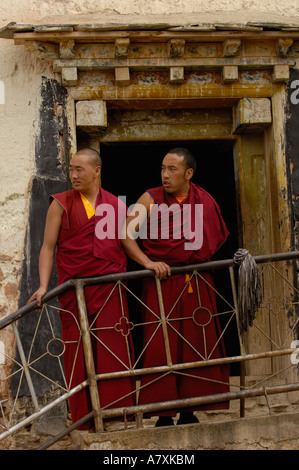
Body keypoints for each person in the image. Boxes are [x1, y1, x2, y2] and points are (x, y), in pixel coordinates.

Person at [28, 148, 153, 431]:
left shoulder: (116, 206)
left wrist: (147, 262)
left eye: (79, 170)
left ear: (96, 171)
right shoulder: (60, 204)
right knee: (77, 353)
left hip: (109, 289)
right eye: (71, 169)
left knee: (114, 351)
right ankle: (84, 420)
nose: (73, 175)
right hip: (74, 291)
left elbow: (125, 242)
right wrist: (44, 285)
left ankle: (116, 415)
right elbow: (48, 248)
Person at [121, 147, 230, 427]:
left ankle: (190, 410)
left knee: (197, 343)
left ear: (188, 173)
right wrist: (148, 261)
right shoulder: (150, 198)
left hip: (196, 283)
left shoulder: (204, 200)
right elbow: (125, 235)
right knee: (160, 345)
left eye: (172, 169)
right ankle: (163, 413)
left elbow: (215, 239)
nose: (165, 175)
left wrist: (192, 260)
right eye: (162, 169)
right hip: (161, 283)